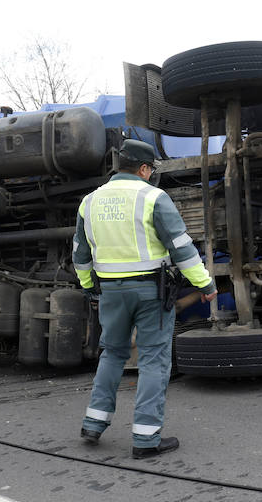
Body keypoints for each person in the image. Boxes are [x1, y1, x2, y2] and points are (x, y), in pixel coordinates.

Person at [73, 139, 217, 459]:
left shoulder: (90, 202)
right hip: (151, 292)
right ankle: (146, 438)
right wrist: (204, 284)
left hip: (110, 292)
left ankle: (94, 423)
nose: (151, 174)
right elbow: (181, 248)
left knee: (112, 353)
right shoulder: (154, 197)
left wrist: (89, 287)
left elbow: (80, 255)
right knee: (153, 358)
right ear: (143, 168)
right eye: (150, 169)